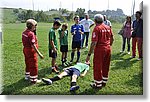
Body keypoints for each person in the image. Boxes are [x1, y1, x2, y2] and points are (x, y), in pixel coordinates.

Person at [86, 14, 114, 89]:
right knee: (106, 65)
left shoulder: (97, 28)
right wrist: (109, 45)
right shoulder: (108, 27)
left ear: (95, 21)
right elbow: (112, 38)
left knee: (97, 67)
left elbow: (94, 43)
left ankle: (98, 84)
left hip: (100, 50)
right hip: (108, 48)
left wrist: (89, 54)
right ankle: (104, 81)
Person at [22, 19, 44, 84]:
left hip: (25, 50)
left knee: (27, 63)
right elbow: (33, 45)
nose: (35, 27)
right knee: (33, 65)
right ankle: (34, 79)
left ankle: (27, 75)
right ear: (32, 26)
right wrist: (39, 54)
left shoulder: (24, 32)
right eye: (35, 26)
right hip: (31, 51)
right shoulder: (31, 34)